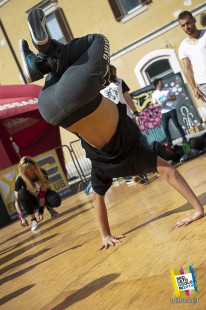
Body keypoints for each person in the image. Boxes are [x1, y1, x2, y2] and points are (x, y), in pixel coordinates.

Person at [19, 9, 204, 247]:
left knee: (98, 40)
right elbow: (99, 200)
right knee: (59, 68)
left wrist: (197, 208)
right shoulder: (102, 171)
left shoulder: (139, 153)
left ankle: (42, 58)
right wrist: (104, 234)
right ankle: (42, 62)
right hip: (49, 108)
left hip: (78, 94)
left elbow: (170, 172)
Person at [15, 156, 61, 231]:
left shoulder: (42, 172)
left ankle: (50, 208)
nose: (29, 173)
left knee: (56, 200)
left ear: (34, 167)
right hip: (32, 201)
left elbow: (43, 194)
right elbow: (17, 201)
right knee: (21, 193)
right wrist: (21, 217)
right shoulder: (20, 179)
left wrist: (41, 212)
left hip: (42, 197)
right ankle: (33, 221)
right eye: (26, 171)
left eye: (31, 170)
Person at [178, 11, 206, 108]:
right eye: (183, 25)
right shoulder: (183, 47)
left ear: (194, 20)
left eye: (188, 23)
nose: (186, 27)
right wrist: (194, 87)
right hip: (203, 85)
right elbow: (187, 68)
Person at [152, 78, 187, 146]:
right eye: (161, 82)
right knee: (165, 128)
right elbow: (154, 105)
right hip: (163, 113)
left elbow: (174, 98)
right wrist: (160, 104)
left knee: (177, 124)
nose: (162, 83)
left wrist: (169, 98)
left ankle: (184, 138)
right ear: (157, 85)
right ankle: (170, 143)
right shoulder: (154, 94)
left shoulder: (167, 90)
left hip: (171, 110)